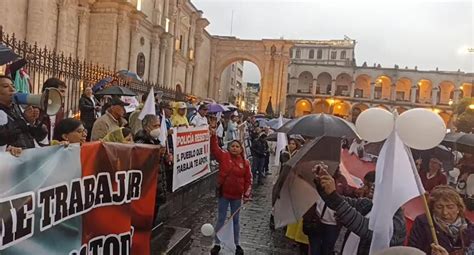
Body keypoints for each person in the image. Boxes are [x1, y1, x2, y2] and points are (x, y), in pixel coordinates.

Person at [313, 164, 406, 255]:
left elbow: (364, 227)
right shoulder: (369, 205)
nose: (373, 187)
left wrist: (334, 197)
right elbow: (341, 202)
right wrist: (322, 183)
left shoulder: (397, 222)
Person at [209, 119, 252, 255]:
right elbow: (215, 149)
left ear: (240, 149)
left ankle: (237, 244)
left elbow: (248, 180)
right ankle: (217, 243)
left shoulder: (245, 163)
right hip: (224, 194)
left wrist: (246, 195)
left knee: (235, 220)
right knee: (221, 218)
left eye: (237, 146)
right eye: (232, 146)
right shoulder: (223, 156)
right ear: (229, 148)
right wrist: (213, 135)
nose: (234, 148)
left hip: (236, 197)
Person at [408, 185, 474, 254]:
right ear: (433, 208)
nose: (445, 212)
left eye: (450, 207)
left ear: (458, 208)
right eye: (439, 207)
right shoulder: (423, 223)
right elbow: (412, 250)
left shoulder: (470, 228)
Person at [0, 75, 47, 150]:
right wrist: (23, 121)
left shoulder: (18, 108)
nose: (12, 89)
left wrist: (33, 123)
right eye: (5, 86)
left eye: (13, 86)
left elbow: (39, 137)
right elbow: (2, 137)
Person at [40, 77, 68, 142]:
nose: (64, 95)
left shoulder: (60, 110)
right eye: (61, 91)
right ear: (51, 91)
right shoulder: (35, 108)